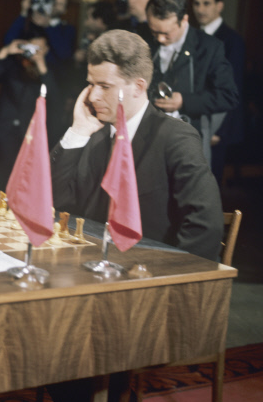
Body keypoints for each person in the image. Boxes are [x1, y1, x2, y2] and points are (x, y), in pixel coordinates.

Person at [50, 29, 223, 261]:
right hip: (88, 263)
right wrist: (77, 131)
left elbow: (204, 226)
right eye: (91, 84)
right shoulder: (94, 132)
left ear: (139, 87)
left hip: (146, 271)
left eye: (105, 86)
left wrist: (168, 282)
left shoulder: (176, 137)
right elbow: (54, 201)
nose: (92, 97)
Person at [146, 0, 239, 164]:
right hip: (149, 139)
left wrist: (185, 101)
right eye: (154, 31)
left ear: (184, 20)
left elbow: (229, 96)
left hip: (187, 141)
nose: (159, 39)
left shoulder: (209, 47)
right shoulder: (146, 42)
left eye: (166, 33)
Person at [0, 25, 63, 189]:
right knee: (2, 176)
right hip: (4, 130)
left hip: (29, 132)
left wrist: (42, 67)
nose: (35, 52)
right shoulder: (12, 65)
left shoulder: (51, 70)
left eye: (40, 48)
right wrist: (5, 52)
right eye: (32, 47)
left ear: (47, 49)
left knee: (24, 179)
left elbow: (55, 100)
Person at [192, 0, 245, 184]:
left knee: (209, 184)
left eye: (206, 3)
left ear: (219, 6)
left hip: (217, 123)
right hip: (197, 117)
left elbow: (234, 86)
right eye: (196, 3)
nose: (200, 9)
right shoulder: (194, 36)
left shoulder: (232, 40)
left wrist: (219, 132)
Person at [3, 0, 76, 64]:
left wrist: (49, 25)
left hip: (51, 73)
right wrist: (24, 13)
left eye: (60, 4)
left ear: (65, 10)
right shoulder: (28, 22)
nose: (54, 5)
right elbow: (8, 42)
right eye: (52, 0)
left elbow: (64, 55)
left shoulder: (67, 29)